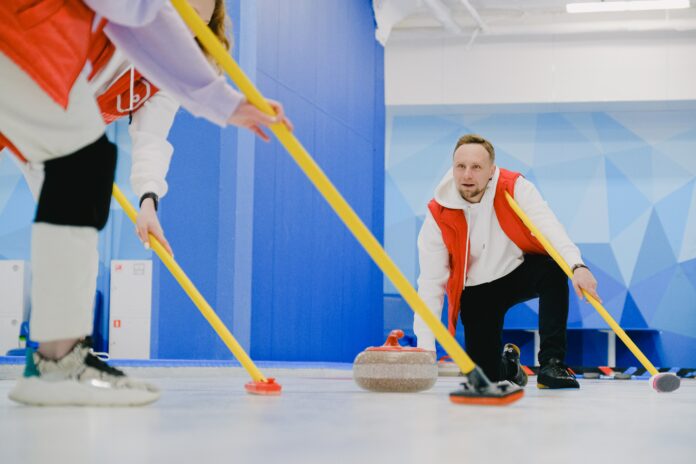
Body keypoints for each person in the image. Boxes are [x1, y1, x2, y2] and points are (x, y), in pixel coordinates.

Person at [0, 0, 290, 406]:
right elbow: (144, 19)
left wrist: (148, 199)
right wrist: (221, 102)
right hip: (31, 46)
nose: (180, 34)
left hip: (48, 77)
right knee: (83, 166)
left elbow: (152, 137)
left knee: (83, 171)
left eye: (194, 28)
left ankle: (57, 361)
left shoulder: (160, 74)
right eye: (180, 15)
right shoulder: (136, 25)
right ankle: (56, 363)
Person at [414, 134, 601, 389]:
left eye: (476, 167)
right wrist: (425, 349)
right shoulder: (438, 214)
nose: (467, 175)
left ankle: (551, 364)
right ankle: (510, 365)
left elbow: (549, 227)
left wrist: (577, 266)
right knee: (486, 376)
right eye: (461, 166)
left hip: (516, 273)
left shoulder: (514, 186)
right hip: (476, 291)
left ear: (491, 171)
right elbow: (431, 283)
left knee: (553, 269)